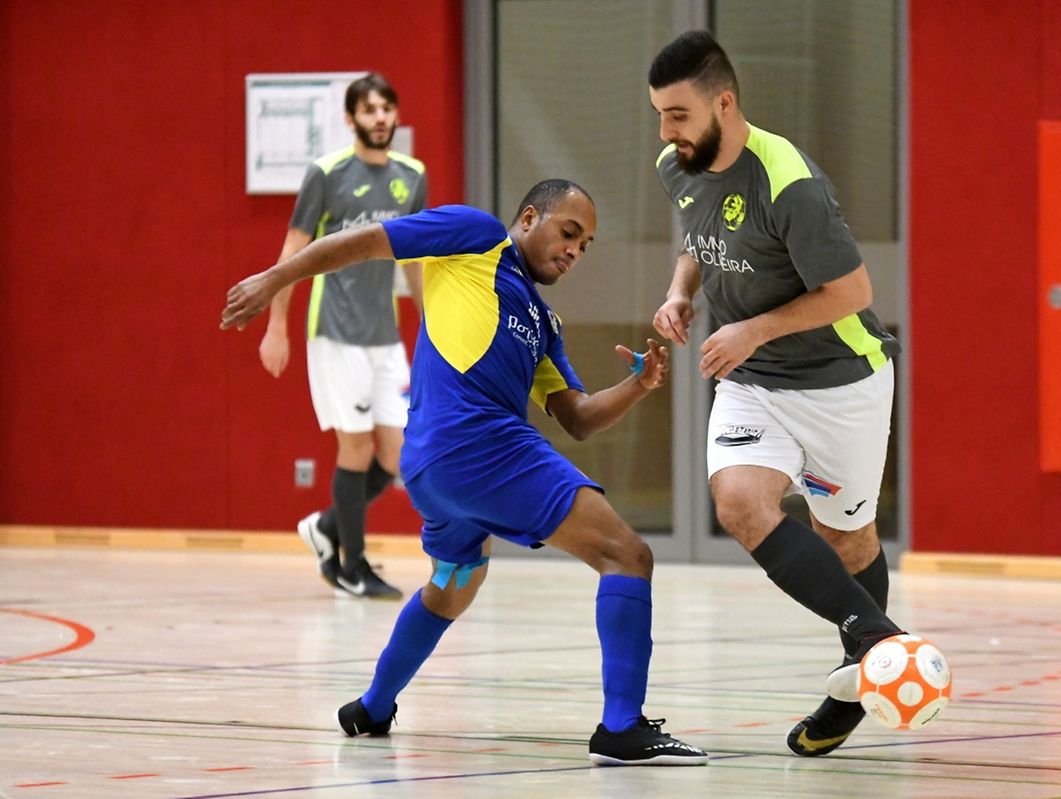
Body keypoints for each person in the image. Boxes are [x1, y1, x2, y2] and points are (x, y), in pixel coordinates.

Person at [222, 180, 708, 767]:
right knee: (627, 556)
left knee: (453, 588)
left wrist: (638, 386)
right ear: (528, 217)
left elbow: (576, 418)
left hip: (435, 467)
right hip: (476, 444)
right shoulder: (476, 236)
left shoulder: (544, 324)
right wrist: (277, 279)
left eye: (586, 246)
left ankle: (372, 707)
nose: (575, 251)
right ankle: (621, 726)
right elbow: (366, 242)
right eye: (569, 233)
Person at [648, 31, 905, 757]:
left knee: (845, 535)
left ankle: (855, 680)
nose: (665, 133)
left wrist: (753, 328)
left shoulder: (788, 180)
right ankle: (881, 645)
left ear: (723, 104)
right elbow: (700, 237)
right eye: (659, 116)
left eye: (677, 115)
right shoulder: (678, 165)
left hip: (842, 380)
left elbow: (853, 291)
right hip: (754, 380)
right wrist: (677, 293)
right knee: (738, 503)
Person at [258, 72, 427, 599]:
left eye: (387, 108)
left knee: (399, 456)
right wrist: (275, 327)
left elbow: (416, 259)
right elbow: (291, 256)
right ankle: (352, 566)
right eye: (369, 110)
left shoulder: (412, 175)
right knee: (354, 448)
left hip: (384, 336)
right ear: (351, 119)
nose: (380, 117)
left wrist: (429, 328)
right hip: (334, 332)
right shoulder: (326, 173)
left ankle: (327, 528)